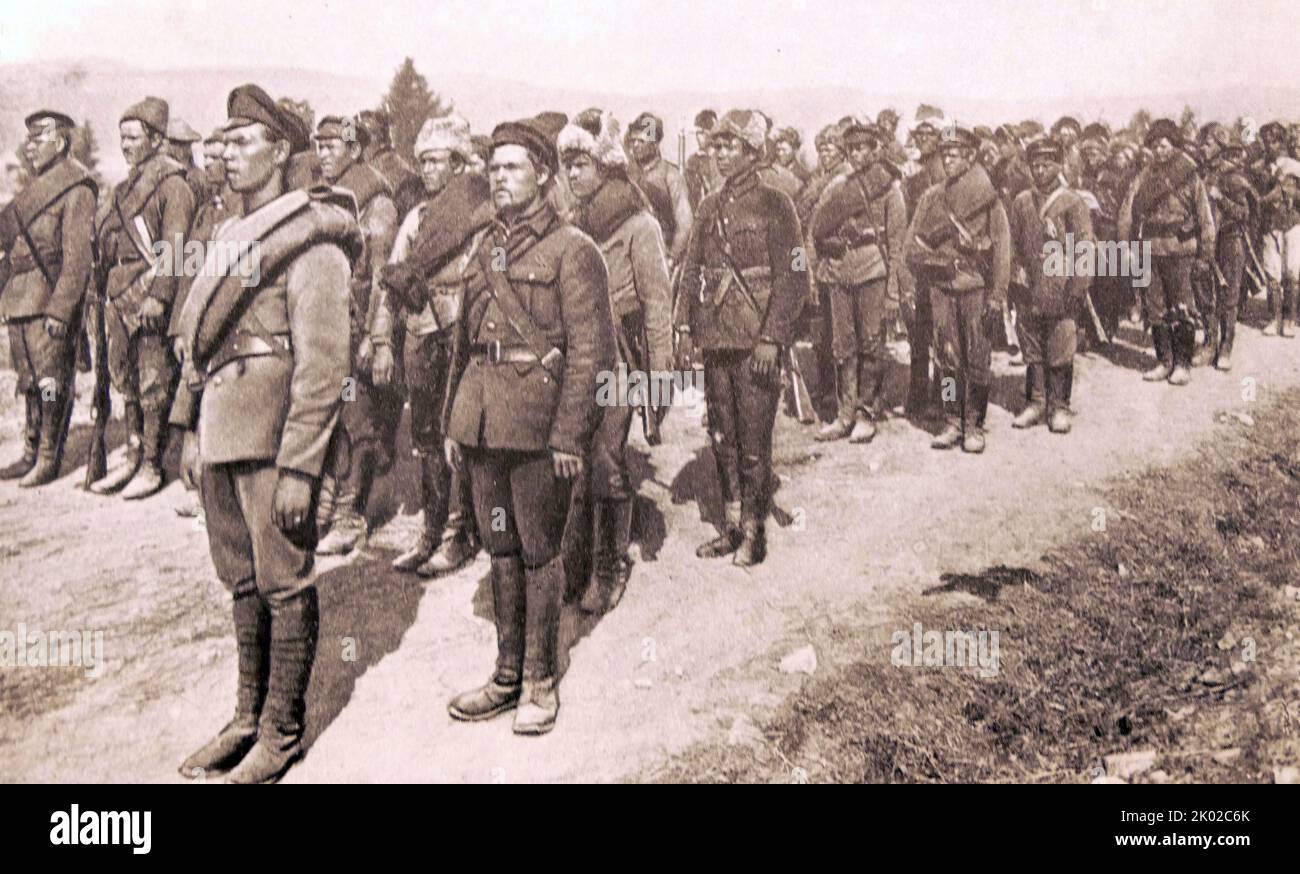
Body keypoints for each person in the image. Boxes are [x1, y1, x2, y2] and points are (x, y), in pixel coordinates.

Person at [172, 83, 360, 783]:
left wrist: (302, 468)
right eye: (224, 140)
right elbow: (200, 344)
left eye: (245, 140)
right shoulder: (227, 235)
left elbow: (323, 370)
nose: (228, 152)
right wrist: (191, 430)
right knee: (240, 581)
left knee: (284, 582)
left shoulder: (314, 243)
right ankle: (246, 717)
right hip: (223, 433)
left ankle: (282, 732)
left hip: (276, 442)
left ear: (283, 152)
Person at [443, 115, 616, 735]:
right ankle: (505, 675)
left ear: (543, 175)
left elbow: (594, 354)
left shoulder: (574, 250)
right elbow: (464, 343)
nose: (499, 177)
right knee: (501, 547)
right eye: (493, 167)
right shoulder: (486, 247)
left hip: (541, 432)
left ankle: (541, 681)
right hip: (485, 426)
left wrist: (571, 436)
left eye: (512, 166)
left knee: (540, 552)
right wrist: (453, 422)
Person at [675, 109, 807, 564]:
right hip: (717, 339)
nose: (722, 154)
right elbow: (692, 269)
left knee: (754, 442)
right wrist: (685, 324)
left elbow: (794, 277)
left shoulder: (777, 203)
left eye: (732, 146)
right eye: (717, 146)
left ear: (752, 152)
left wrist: (773, 337)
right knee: (721, 436)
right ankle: (731, 526)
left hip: (756, 342)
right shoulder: (710, 205)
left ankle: (754, 533)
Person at [558, 109, 673, 613]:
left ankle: (610, 567)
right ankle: (577, 563)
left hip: (621, 361)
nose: (573, 173)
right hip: (577, 361)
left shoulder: (638, 223)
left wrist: (661, 381)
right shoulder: (570, 224)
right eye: (567, 164)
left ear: (604, 165)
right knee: (572, 461)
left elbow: (657, 304)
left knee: (605, 456)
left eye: (581, 162)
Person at [380, 113, 489, 577]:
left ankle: (460, 534)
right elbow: (391, 277)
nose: (427, 170)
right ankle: (431, 530)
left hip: (462, 335)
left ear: (460, 164)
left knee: (457, 436)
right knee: (425, 438)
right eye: (422, 161)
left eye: (437, 161)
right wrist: (382, 338)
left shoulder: (479, 214)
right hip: (421, 335)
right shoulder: (416, 218)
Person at [90, 96, 196, 499]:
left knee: (154, 382)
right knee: (125, 378)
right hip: (118, 295)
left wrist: (159, 295)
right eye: (122, 137)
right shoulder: (124, 188)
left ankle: (152, 462)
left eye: (133, 137)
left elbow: (175, 246)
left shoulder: (173, 185)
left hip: (149, 295)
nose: (126, 144)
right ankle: (133, 453)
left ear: (155, 139)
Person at [310, 115, 402, 556]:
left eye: (333, 146)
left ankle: (352, 514)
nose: (324, 153)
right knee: (329, 415)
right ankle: (327, 507)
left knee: (357, 417)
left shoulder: (374, 200)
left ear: (354, 150)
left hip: (356, 331)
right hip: (326, 330)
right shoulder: (326, 194)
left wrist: (376, 336)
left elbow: (382, 276)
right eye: (319, 145)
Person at [0, 110, 97, 486]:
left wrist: (61, 309)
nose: (29, 146)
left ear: (59, 142)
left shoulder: (76, 187)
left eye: (38, 138)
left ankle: (47, 457)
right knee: (29, 382)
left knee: (51, 382)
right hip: (20, 300)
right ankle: (29, 450)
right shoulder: (34, 189)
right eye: (28, 138)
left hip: (48, 302)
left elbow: (77, 259)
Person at [903, 125, 1011, 453]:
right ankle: (952, 420)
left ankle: (974, 424)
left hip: (976, 288)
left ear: (969, 157)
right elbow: (911, 248)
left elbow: (1003, 247)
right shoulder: (931, 197)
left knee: (977, 358)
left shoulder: (989, 197)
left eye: (955, 155)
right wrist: (934, 263)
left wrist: (998, 295)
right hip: (941, 289)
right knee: (948, 359)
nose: (948, 161)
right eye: (944, 155)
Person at [808, 120, 908, 443]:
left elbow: (897, 246)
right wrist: (821, 259)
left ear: (875, 149)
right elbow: (816, 230)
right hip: (839, 274)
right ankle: (844, 413)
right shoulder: (839, 187)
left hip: (872, 273)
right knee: (843, 346)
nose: (856, 154)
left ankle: (867, 412)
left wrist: (894, 291)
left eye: (862, 147)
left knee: (871, 344)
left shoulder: (890, 191)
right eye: (851, 149)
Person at [1117, 118, 1216, 383]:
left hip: (1181, 250)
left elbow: (1205, 217)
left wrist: (1206, 255)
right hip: (1150, 250)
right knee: (1154, 307)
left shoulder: (1188, 173)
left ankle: (1183, 364)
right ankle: (1164, 360)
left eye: (1164, 145)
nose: (1159, 150)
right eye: (1156, 146)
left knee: (1182, 307)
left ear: (1174, 145)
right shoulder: (1145, 175)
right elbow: (1128, 209)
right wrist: (1125, 245)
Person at [1008, 138, 1094, 434]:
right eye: (1035, 165)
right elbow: (1013, 244)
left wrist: (1078, 288)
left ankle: (1059, 406)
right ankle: (1036, 402)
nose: (1040, 170)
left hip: (1061, 288)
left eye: (1047, 164)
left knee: (1060, 346)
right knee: (1031, 346)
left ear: (1058, 165)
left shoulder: (1072, 202)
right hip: (1030, 288)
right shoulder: (1021, 202)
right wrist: (1014, 274)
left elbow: (1085, 247)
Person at [626, 111, 693, 265]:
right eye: (633, 141)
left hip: (661, 256)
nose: (635, 145)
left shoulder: (671, 175)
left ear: (655, 144)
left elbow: (685, 223)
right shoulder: (628, 174)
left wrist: (671, 258)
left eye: (641, 141)